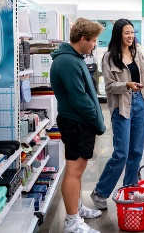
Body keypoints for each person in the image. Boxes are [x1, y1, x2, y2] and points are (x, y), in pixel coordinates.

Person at [90, 18, 144, 210]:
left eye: (132, 32)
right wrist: (126, 85)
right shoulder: (108, 58)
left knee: (136, 152)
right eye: (126, 33)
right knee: (121, 153)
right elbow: (109, 86)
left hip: (140, 104)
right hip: (122, 106)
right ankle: (100, 192)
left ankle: (130, 191)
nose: (130, 36)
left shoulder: (138, 53)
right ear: (118, 34)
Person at [50, 18, 106, 233]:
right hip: (77, 123)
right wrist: (96, 120)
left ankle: (77, 208)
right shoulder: (68, 62)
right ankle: (72, 222)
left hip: (79, 122)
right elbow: (79, 98)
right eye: (93, 41)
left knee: (79, 170)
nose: (94, 45)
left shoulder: (74, 58)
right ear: (82, 39)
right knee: (74, 170)